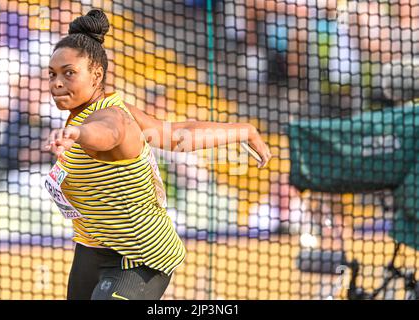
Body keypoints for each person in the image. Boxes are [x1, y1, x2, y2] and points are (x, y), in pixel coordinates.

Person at [43, 9, 271, 300]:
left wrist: (78, 135)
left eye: (69, 73)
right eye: (52, 74)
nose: (57, 83)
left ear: (97, 74)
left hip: (139, 259)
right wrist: (243, 131)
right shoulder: (102, 110)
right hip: (90, 250)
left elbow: (107, 133)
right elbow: (178, 135)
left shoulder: (110, 115)